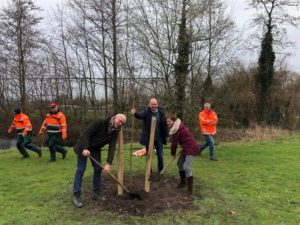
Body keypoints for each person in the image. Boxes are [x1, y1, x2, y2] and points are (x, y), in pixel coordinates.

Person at [72, 114, 127, 208]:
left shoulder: (115, 131)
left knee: (98, 169)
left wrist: (108, 163)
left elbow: (112, 147)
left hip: (95, 149)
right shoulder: (100, 122)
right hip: (83, 146)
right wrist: (85, 148)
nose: (120, 124)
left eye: (122, 123)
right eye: (120, 121)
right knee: (81, 169)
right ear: (115, 117)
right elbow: (86, 134)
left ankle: (96, 193)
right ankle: (76, 195)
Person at [130, 98, 169, 175]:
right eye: (152, 104)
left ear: (157, 104)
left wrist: (166, 135)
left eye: (155, 104)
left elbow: (165, 125)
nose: (154, 106)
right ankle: (149, 170)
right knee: (149, 155)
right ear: (149, 105)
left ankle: (160, 171)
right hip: (149, 138)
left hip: (159, 138)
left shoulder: (161, 113)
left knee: (160, 155)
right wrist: (135, 113)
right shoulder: (146, 112)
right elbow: (140, 115)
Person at [166, 115, 199, 195]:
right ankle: (183, 183)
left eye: (169, 121)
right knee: (180, 164)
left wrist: (173, 154)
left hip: (191, 148)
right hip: (185, 148)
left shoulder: (177, 128)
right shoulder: (177, 127)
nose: (168, 123)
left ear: (174, 121)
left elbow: (174, 144)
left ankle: (190, 190)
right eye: (167, 122)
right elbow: (176, 139)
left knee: (187, 167)